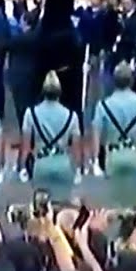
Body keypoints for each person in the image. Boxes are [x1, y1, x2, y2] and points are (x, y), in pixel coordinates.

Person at [92, 62, 136, 207]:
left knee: (114, 202)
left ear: (114, 81)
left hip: (113, 157)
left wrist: (95, 162)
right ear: (132, 81)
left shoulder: (103, 106)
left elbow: (96, 136)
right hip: (135, 157)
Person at [21, 71, 80, 200]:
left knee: (42, 207)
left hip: (41, 165)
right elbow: (76, 150)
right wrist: (77, 170)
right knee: (62, 205)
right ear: (60, 93)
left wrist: (23, 168)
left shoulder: (30, 114)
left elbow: (26, 147)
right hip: (63, 165)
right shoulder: (72, 116)